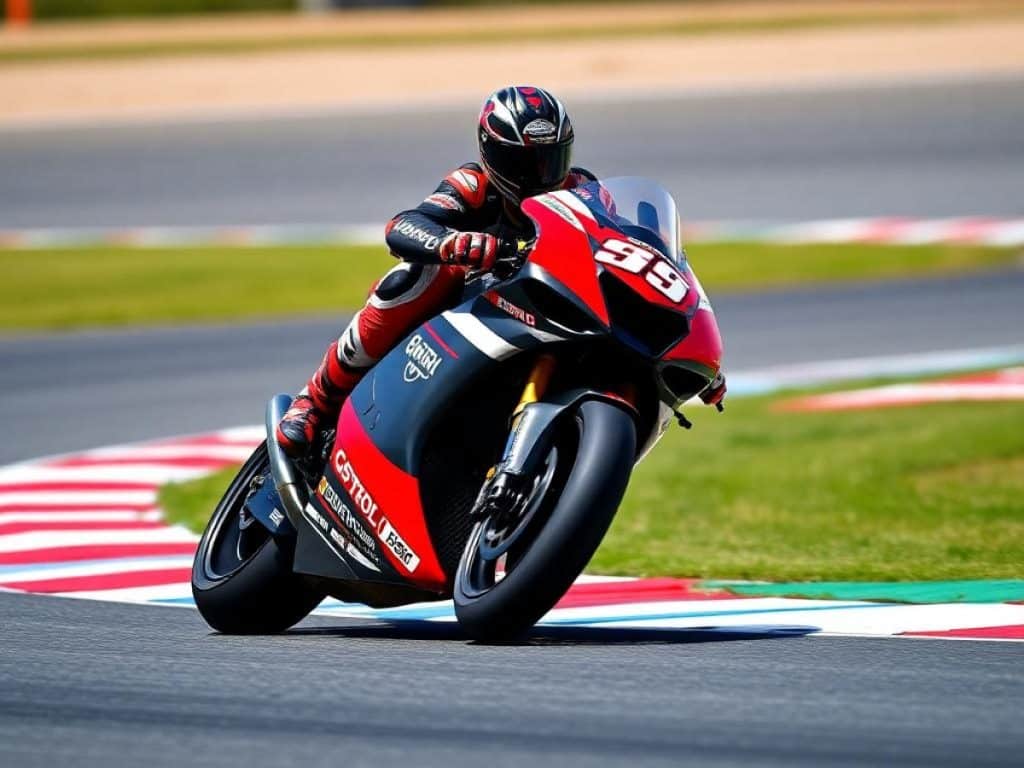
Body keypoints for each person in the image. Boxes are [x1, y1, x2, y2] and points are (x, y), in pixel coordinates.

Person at [277, 85, 726, 457]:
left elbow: (624, 257)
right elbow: (404, 226)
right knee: (413, 278)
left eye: (551, 159)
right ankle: (314, 403)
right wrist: (454, 244)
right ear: (493, 154)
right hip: (472, 304)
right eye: (525, 163)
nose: (541, 175)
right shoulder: (474, 184)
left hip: (546, 306)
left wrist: (685, 344)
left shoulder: (585, 191)